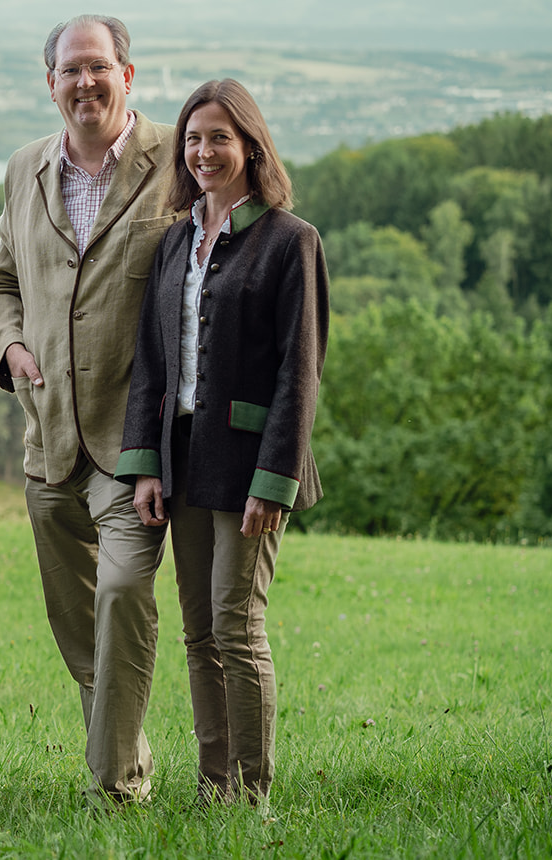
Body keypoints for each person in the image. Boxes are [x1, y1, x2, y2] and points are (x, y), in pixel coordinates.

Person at [0, 14, 181, 805]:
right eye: (71, 70)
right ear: (51, 83)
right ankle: (123, 752)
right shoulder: (24, 167)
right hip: (50, 436)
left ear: (128, 74)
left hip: (138, 443)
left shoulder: (178, 160)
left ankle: (116, 784)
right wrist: (8, 348)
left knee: (125, 592)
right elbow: (2, 283)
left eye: (100, 67)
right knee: (77, 626)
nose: (85, 82)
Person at [117, 79, 329, 804]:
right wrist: (144, 466)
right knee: (200, 635)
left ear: (251, 146)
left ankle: (252, 794)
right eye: (194, 139)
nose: (205, 152)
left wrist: (276, 482)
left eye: (220, 138)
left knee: (237, 630)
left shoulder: (291, 241)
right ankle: (216, 788)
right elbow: (152, 359)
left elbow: (300, 371)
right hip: (182, 464)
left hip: (250, 470)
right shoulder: (176, 238)